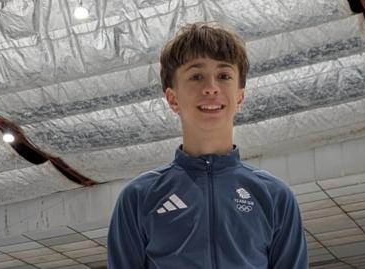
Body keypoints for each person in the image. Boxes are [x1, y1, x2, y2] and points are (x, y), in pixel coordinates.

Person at [107, 22, 308, 269]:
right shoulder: (139, 197)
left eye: (224, 76)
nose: (211, 88)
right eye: (196, 76)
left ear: (240, 97)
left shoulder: (274, 196)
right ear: (173, 99)